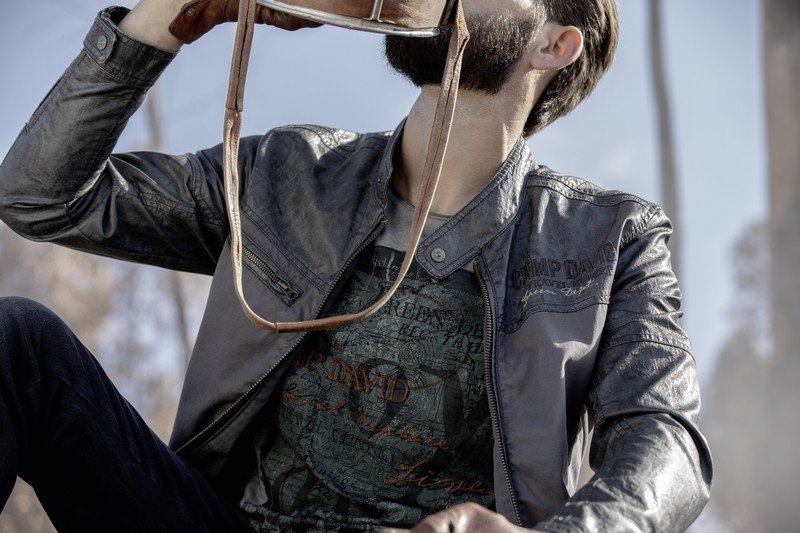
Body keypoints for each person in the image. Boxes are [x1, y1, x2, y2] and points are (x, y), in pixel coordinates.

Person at [0, 0, 713, 531]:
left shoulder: (610, 238)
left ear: (555, 44)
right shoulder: (286, 173)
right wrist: (169, 16)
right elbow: (40, 196)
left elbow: (667, 440)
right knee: (20, 343)